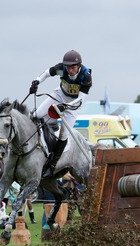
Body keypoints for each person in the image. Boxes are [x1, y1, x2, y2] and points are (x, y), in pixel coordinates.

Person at [29, 50, 92, 178]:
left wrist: (66, 106)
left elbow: (81, 99)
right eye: (68, 67)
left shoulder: (86, 76)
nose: (70, 70)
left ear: (78, 66)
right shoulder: (61, 69)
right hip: (59, 96)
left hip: (73, 106)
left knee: (64, 134)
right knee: (35, 115)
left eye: (73, 67)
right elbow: (47, 73)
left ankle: (52, 165)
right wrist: (36, 82)